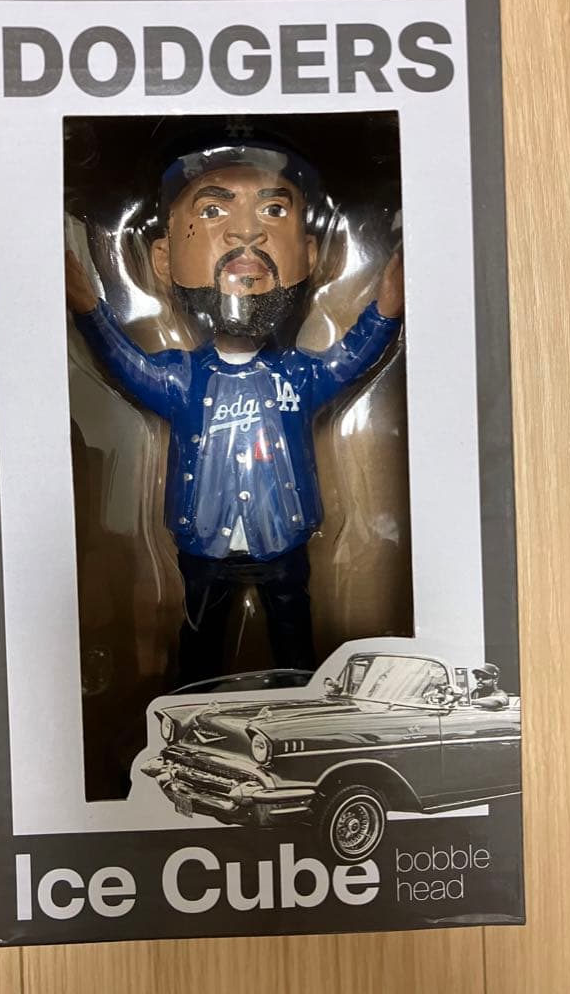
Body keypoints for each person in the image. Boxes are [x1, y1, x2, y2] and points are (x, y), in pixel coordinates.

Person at [66, 139, 404, 686]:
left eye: (273, 210)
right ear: (162, 257)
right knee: (200, 647)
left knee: (295, 645)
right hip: (204, 539)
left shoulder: (297, 374)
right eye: (212, 211)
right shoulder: (182, 378)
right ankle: (189, 713)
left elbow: (349, 360)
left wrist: (387, 306)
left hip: (283, 537)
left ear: (310, 254)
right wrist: (87, 307)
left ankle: (300, 712)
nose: (246, 233)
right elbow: (125, 364)